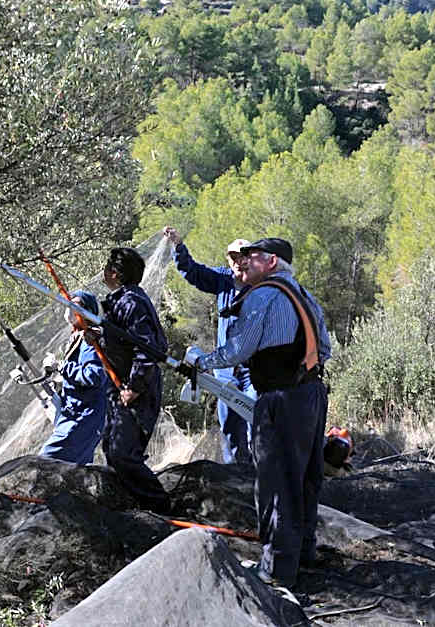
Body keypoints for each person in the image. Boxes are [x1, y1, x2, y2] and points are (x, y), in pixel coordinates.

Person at [187, 237, 332, 588]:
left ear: (271, 262)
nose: (244, 263)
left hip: (280, 400)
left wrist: (199, 364)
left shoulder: (263, 295)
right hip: (312, 394)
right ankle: (304, 555)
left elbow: (238, 350)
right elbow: (324, 349)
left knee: (276, 484)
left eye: (252, 257)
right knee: (306, 479)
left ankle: (276, 572)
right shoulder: (304, 295)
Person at [163, 225, 255, 465]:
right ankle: (237, 473)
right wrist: (178, 246)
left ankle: (262, 474)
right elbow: (193, 272)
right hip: (226, 369)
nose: (239, 261)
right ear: (229, 259)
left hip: (256, 370)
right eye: (234, 256)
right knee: (229, 422)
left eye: (244, 255)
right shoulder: (223, 279)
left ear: (252, 259)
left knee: (257, 418)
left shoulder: (264, 286)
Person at [88, 247, 170, 513]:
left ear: (113, 273)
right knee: (112, 448)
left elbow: (146, 348)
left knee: (124, 453)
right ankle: (132, 507)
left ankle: (161, 509)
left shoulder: (132, 303)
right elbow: (120, 339)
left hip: (137, 388)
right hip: (119, 386)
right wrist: (97, 338)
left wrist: (134, 387)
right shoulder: (119, 301)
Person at [38, 290, 109, 465]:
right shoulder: (77, 337)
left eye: (77, 304)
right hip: (74, 415)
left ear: (87, 312)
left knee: (45, 463)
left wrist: (61, 366)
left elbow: (95, 376)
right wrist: (61, 382)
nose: (70, 307)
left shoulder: (89, 339)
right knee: (75, 474)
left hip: (83, 419)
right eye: (70, 302)